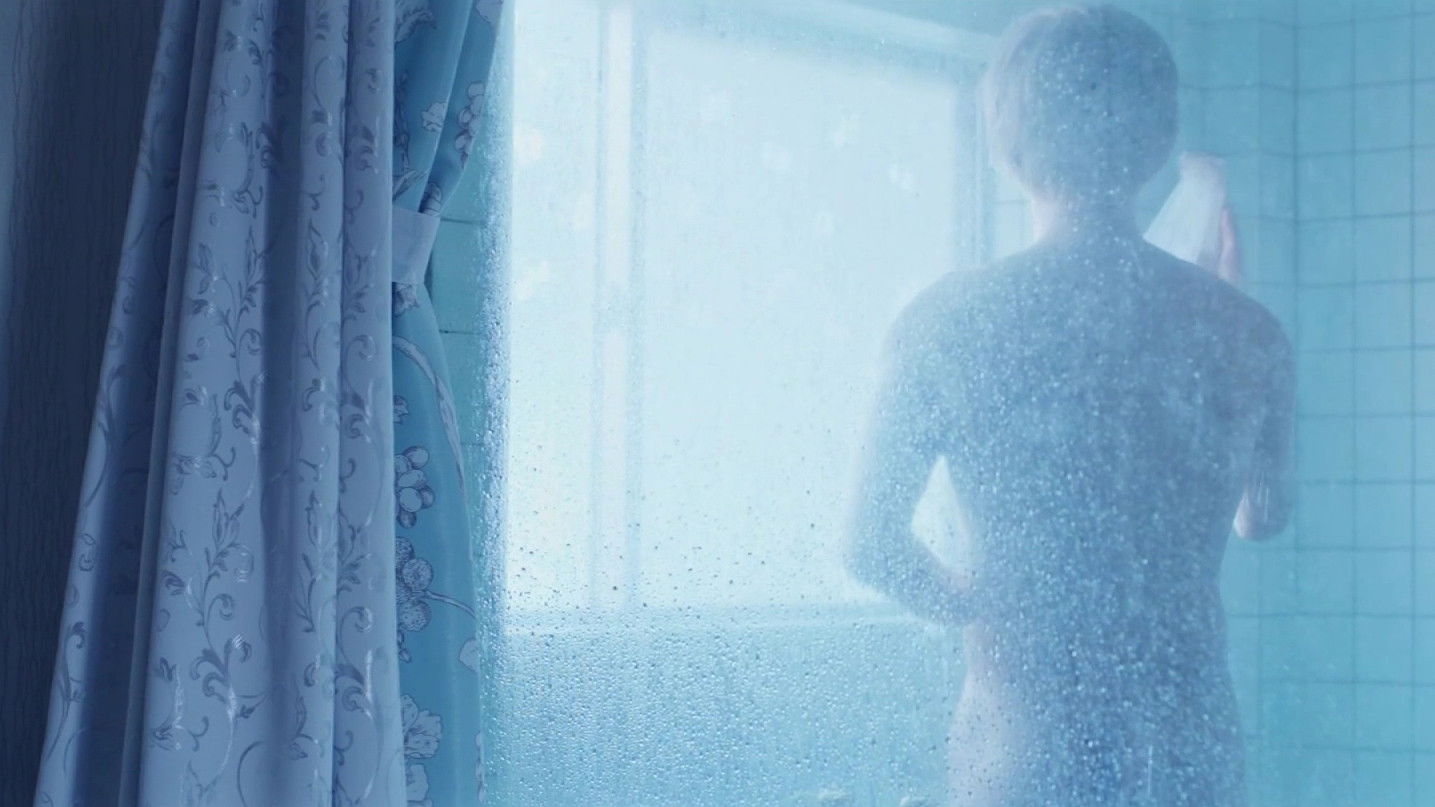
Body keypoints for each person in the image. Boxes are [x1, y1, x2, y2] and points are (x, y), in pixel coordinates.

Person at [846, 6, 1293, 806]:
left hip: (1024, 749)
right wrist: (1222, 333)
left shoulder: (949, 319)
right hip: (1186, 752)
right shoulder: (1245, 331)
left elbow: (869, 544)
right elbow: (1260, 518)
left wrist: (986, 602)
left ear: (1003, 145)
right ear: (1159, 141)